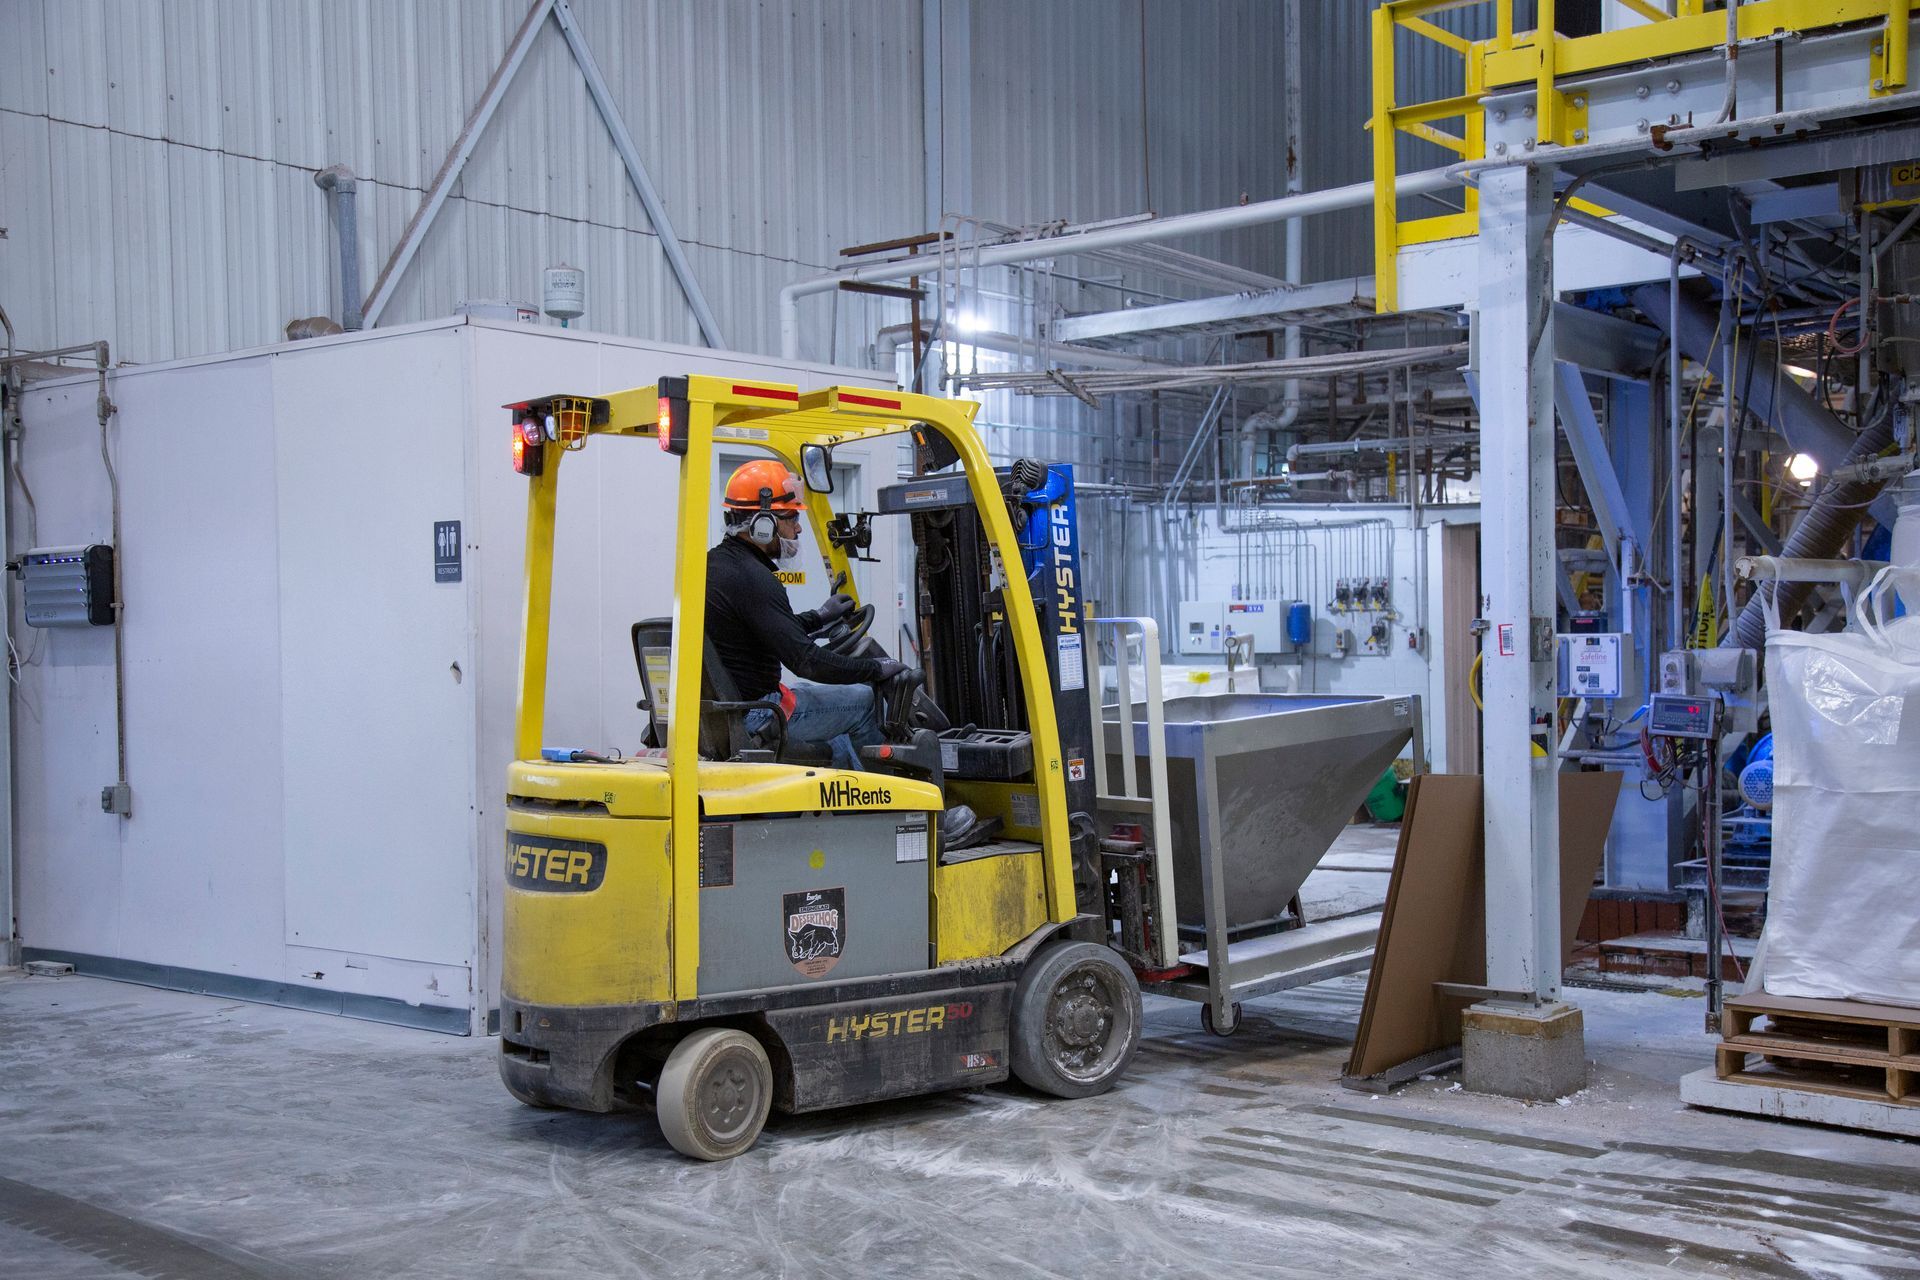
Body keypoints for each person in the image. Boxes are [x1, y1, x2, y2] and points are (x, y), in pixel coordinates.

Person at [704, 460, 906, 769]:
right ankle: (895, 802)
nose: (797, 528)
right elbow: (807, 661)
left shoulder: (715, 565)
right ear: (763, 525)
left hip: (726, 711)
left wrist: (820, 616)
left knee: (836, 714)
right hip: (758, 713)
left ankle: (844, 803)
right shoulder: (754, 579)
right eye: (791, 517)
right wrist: (873, 669)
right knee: (864, 701)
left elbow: (762, 631)